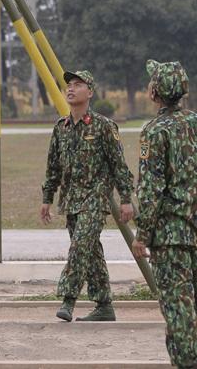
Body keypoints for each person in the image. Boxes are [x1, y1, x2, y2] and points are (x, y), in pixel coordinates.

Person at [40, 69, 134, 322]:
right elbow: (53, 167)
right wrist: (47, 197)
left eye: (78, 84)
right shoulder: (61, 127)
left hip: (95, 198)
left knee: (80, 246)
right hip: (71, 200)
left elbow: (119, 166)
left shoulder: (104, 126)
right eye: (69, 85)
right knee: (91, 252)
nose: (70, 88)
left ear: (90, 92)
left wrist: (126, 199)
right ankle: (104, 305)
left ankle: (68, 300)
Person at [132, 59, 197, 369]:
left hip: (172, 236)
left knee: (178, 307)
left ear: (155, 91)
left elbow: (150, 189)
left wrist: (142, 234)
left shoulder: (154, 131)